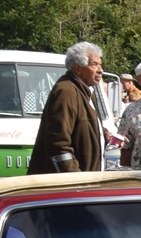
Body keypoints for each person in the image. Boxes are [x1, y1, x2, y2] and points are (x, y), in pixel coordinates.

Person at [28, 42, 105, 174]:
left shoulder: (86, 92)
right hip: (69, 182)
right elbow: (59, 143)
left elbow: (82, 129)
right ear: (77, 68)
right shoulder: (66, 91)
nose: (100, 70)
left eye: (100, 64)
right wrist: (75, 178)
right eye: (94, 64)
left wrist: (104, 134)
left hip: (87, 179)